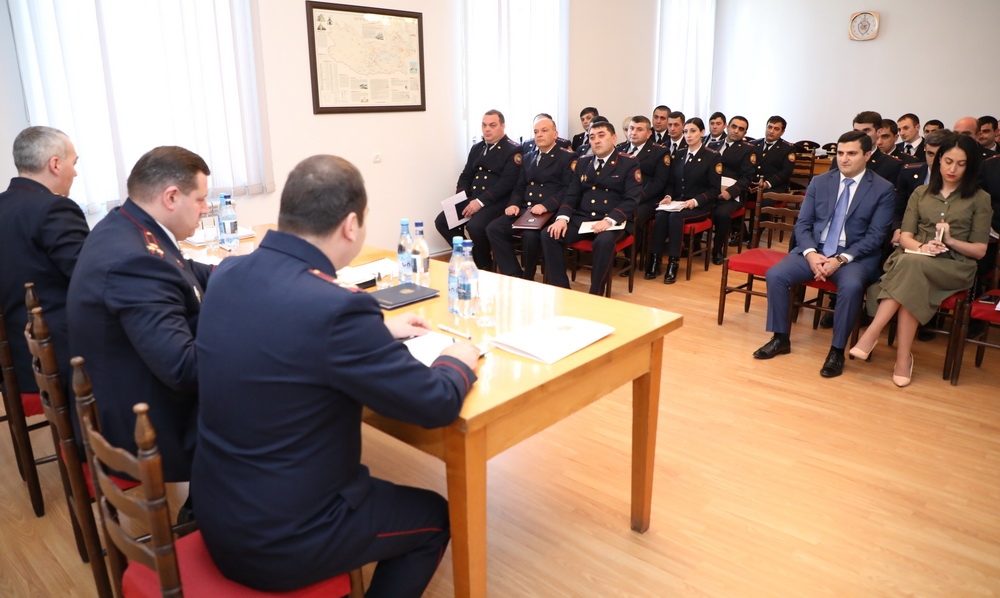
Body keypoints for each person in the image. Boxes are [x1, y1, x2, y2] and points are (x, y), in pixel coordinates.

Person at [191, 155, 479, 596]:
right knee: (435, 517)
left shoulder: (229, 272)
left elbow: (283, 332)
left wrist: (376, 331)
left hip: (216, 508)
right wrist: (457, 359)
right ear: (351, 225)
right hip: (281, 538)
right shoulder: (336, 307)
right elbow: (433, 403)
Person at [67, 146, 212, 482]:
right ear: (171, 197)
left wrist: (243, 271)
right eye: (201, 199)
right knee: (274, 399)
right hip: (146, 432)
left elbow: (183, 270)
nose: (206, 208)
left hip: (124, 396)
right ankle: (218, 503)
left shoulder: (124, 224)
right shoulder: (136, 262)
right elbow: (184, 370)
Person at [850, 134, 992, 386]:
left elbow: (980, 251)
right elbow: (905, 237)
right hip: (915, 259)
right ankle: (903, 358)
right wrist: (923, 247)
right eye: (948, 161)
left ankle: (872, 333)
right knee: (913, 274)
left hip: (954, 266)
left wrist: (950, 240)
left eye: (961, 164)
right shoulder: (920, 192)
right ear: (939, 160)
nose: (952, 169)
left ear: (970, 166)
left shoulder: (980, 198)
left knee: (910, 268)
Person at [752, 130, 894, 378]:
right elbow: (803, 224)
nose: (844, 159)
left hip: (853, 257)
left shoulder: (883, 189)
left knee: (851, 287)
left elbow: (875, 236)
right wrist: (810, 254)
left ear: (867, 155)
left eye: (852, 153)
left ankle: (837, 351)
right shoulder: (820, 182)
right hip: (815, 250)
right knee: (776, 275)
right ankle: (780, 338)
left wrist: (840, 259)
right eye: (840, 153)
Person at [0, 126, 86, 399]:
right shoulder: (54, 208)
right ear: (55, 164)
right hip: (59, 360)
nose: (75, 173)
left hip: (14, 359)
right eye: (74, 163)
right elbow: (90, 278)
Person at [541, 120, 641, 295]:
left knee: (603, 242)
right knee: (549, 234)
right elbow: (571, 195)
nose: (596, 141)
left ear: (614, 138)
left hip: (614, 221)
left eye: (601, 136)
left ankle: (596, 293)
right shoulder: (583, 162)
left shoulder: (628, 163)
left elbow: (631, 199)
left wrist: (609, 220)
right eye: (592, 137)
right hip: (584, 218)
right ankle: (561, 288)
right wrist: (562, 218)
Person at [487, 115, 574, 279]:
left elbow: (568, 189)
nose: (539, 135)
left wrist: (547, 205)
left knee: (531, 236)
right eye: (536, 132)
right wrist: (514, 203)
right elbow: (520, 186)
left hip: (549, 211)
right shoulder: (528, 157)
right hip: (526, 209)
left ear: (555, 134)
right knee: (494, 228)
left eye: (544, 130)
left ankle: (528, 277)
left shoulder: (567, 157)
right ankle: (514, 273)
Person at [434, 109, 521, 270]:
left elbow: (507, 183)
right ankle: (470, 256)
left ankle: (484, 265)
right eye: (484, 125)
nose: (487, 129)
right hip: (473, 198)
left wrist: (480, 202)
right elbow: (466, 175)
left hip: (495, 201)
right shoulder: (477, 148)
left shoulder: (513, 150)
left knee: (475, 226)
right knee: (442, 222)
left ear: (502, 126)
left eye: (492, 125)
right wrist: (460, 197)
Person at [645, 117, 721, 283]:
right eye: (686, 131)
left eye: (693, 131)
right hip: (678, 202)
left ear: (702, 132)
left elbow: (714, 190)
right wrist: (668, 196)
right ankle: (655, 259)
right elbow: (671, 183)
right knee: (660, 215)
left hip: (699, 205)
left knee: (675, 217)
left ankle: (673, 262)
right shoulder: (679, 155)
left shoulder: (712, 157)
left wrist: (695, 201)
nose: (688, 135)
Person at [710, 115, 757, 264]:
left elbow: (747, 177)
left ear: (745, 133)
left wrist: (730, 192)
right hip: (709, 190)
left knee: (722, 214)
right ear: (727, 127)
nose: (736, 131)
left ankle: (717, 250)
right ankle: (694, 245)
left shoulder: (748, 150)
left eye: (741, 129)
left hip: (731, 194)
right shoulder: (713, 145)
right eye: (734, 127)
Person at [749, 115, 795, 194]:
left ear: (782, 132)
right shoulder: (753, 144)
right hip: (751, 185)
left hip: (773, 188)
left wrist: (767, 184)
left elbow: (786, 172)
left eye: (776, 129)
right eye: (769, 127)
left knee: (766, 200)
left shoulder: (788, 148)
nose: (771, 131)